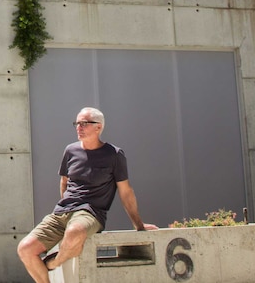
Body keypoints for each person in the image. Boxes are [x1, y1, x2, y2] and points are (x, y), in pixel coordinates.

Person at [17, 107, 157, 282]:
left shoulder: (114, 154)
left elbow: (126, 191)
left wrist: (139, 225)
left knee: (75, 230)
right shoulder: (70, 150)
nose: (79, 127)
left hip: (91, 213)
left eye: (84, 123)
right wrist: (65, 206)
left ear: (98, 127)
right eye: (77, 123)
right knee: (25, 248)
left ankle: (55, 262)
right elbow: (64, 182)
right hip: (63, 212)